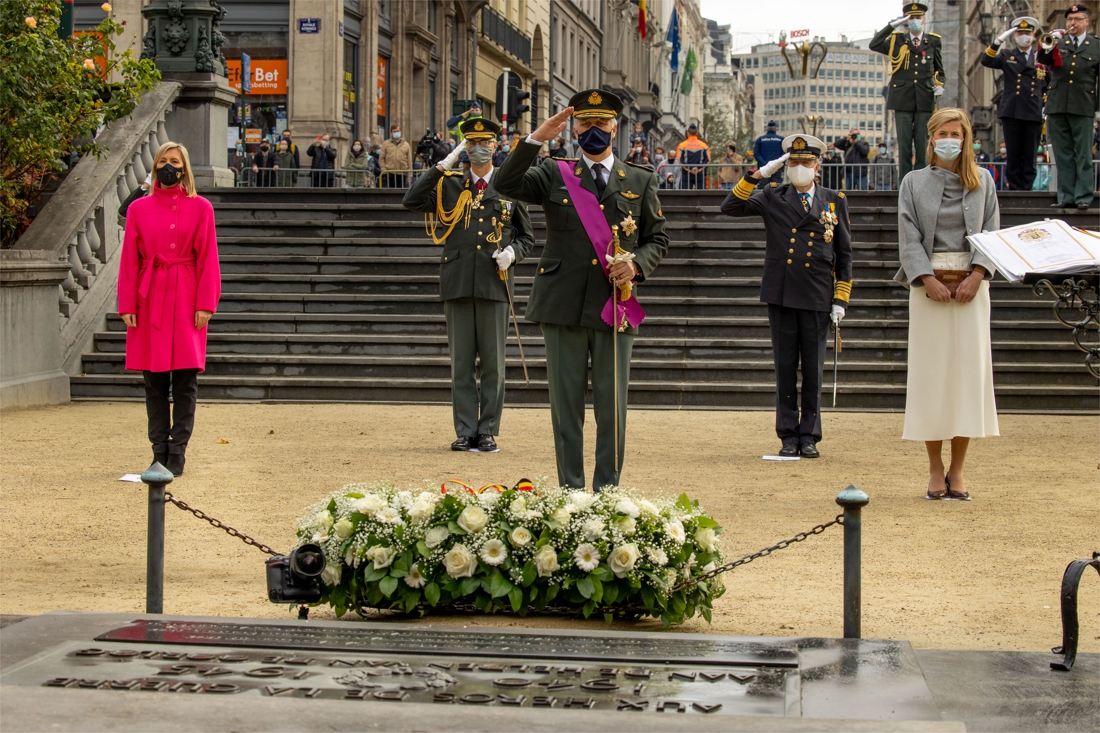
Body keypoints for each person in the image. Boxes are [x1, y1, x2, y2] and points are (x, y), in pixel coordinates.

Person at [495, 89, 670, 490]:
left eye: (600, 124)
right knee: (566, 408)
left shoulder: (640, 180)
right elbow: (506, 183)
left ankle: (607, 493)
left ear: (615, 127)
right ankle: (571, 493)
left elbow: (657, 239)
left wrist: (636, 264)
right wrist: (537, 137)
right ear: (574, 129)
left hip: (615, 305)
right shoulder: (553, 173)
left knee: (612, 409)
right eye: (584, 124)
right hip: (562, 305)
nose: (593, 131)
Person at [402, 117, 535, 453]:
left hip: (495, 283)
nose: (479, 149)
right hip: (459, 281)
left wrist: (512, 253)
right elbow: (412, 201)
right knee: (461, 364)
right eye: (471, 144)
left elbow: (527, 236)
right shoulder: (449, 184)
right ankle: (464, 429)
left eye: (485, 143)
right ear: (465, 148)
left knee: (493, 364)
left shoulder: (508, 187)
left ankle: (487, 429)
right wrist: (438, 168)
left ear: (495, 146)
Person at [720, 134, 853, 458]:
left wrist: (840, 299)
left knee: (812, 371)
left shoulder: (834, 200)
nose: (799, 167)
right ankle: (788, 435)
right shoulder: (773, 196)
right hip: (782, 292)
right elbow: (730, 206)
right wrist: (761, 173)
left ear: (817, 165)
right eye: (792, 162)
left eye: (806, 162)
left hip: (818, 294)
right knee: (784, 369)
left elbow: (844, 254)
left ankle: (809, 434)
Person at [896, 107, 1000, 501]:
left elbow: (992, 232)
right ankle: (934, 467)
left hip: (972, 289)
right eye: (944, 132)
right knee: (931, 379)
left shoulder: (983, 182)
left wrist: (978, 274)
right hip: (928, 290)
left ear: (967, 137)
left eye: (957, 132)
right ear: (932, 136)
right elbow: (908, 236)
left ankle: (958, 469)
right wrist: (926, 278)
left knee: (965, 379)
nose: (950, 139)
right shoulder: (913, 182)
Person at [117, 141, 222, 477]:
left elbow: (209, 259)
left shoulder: (202, 207)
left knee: (186, 381)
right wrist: (127, 304)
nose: (168, 166)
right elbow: (129, 260)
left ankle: (178, 451)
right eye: (163, 161)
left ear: (184, 167)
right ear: (155, 166)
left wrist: (206, 304)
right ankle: (158, 450)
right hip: (150, 299)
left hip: (188, 295)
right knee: (155, 382)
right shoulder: (138, 209)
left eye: (174, 161)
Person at [870, 2, 945, 182]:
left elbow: (939, 69)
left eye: (918, 18)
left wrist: (940, 84)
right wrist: (891, 26)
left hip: (924, 98)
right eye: (911, 18)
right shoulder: (896, 40)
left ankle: (921, 182)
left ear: (924, 20)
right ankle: (906, 183)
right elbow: (875, 44)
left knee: (922, 145)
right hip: (902, 99)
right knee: (904, 146)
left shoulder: (933, 41)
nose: (915, 21)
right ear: (906, 20)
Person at [1037, 4, 1098, 210]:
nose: (1073, 23)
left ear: (1086, 22)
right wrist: (1049, 44)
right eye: (1070, 19)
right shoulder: (1058, 41)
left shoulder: (1095, 45)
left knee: (1083, 154)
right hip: (1057, 104)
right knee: (1062, 154)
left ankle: (1083, 196)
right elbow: (1043, 61)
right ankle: (1066, 195)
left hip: (1083, 105)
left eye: (1077, 19)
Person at [981, 18, 1047, 191]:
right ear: (1014, 35)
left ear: (1033, 36)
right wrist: (998, 41)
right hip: (1012, 110)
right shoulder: (1007, 55)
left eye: (1027, 33)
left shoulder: (1041, 57)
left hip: (1033, 110)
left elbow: (1049, 83)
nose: (1023, 36)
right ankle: (1015, 189)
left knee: (1030, 153)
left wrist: (1046, 104)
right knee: (1014, 153)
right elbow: (986, 60)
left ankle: (1027, 188)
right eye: (1019, 33)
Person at [676, 123, 711, 189]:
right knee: (700, 195)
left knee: (685, 195)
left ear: (687, 133)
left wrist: (689, 169)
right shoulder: (704, 145)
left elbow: (679, 160)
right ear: (697, 133)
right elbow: (708, 159)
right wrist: (698, 169)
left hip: (686, 173)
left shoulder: (682, 145)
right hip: (700, 173)